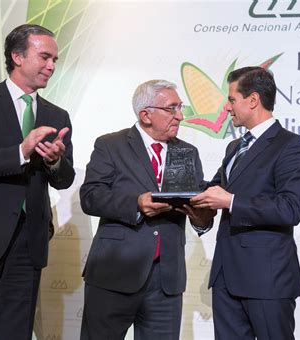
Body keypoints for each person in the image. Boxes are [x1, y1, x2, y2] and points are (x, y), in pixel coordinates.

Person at [79, 79, 212, 340]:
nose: (180, 116)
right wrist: (136, 204)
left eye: (180, 107)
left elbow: (196, 203)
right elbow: (91, 197)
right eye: (171, 108)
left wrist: (202, 218)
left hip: (166, 281)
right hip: (114, 273)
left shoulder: (188, 152)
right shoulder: (110, 145)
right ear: (145, 114)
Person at [189, 67, 300, 339]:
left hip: (268, 279)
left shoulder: (290, 145)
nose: (227, 107)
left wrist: (232, 201)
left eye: (232, 99)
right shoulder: (234, 147)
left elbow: (291, 208)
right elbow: (213, 191)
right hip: (225, 277)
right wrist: (182, 198)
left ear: (253, 100)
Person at [0, 24, 75, 340]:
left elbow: (65, 179)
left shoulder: (57, 116)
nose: (51, 66)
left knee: (14, 332)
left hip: (27, 243)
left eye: (55, 60)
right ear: (17, 56)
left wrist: (54, 161)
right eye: (44, 57)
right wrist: (20, 151)